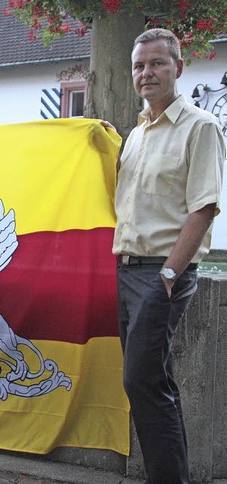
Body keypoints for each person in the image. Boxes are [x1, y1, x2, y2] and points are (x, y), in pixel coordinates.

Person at [113, 29, 224, 483]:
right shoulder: (135, 135)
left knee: (142, 381)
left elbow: (204, 207)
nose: (146, 73)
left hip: (161, 274)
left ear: (178, 67)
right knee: (152, 383)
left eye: (157, 64)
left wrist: (170, 274)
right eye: (140, 66)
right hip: (123, 274)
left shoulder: (200, 127)